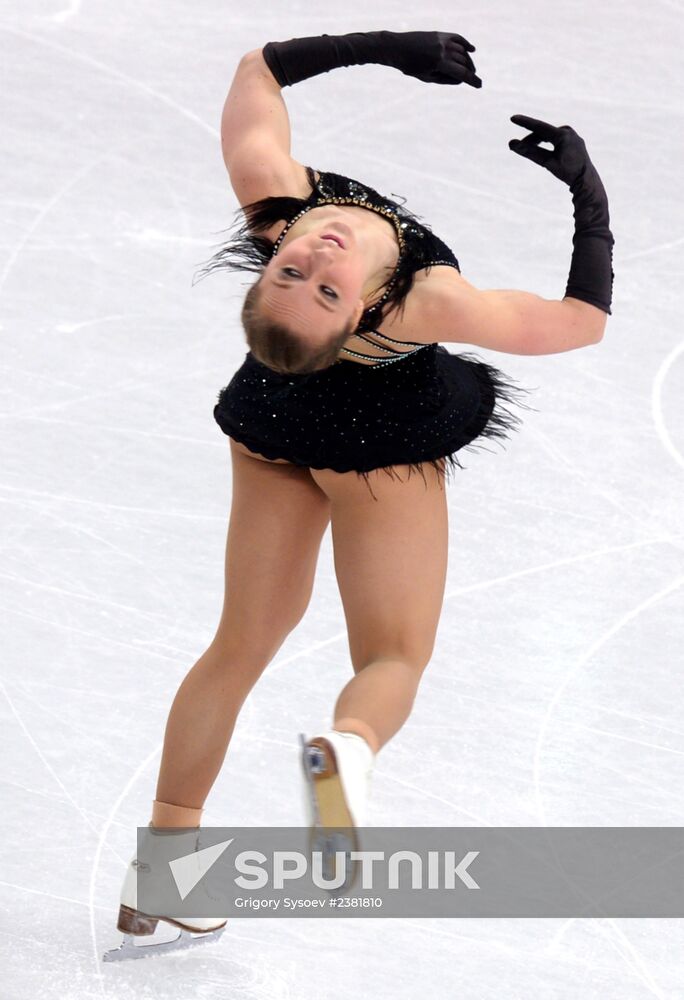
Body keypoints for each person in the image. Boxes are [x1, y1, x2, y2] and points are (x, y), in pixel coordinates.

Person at [104, 29, 614, 960]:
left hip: (273, 425)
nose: (315, 255)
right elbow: (579, 324)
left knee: (239, 644)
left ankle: (163, 877)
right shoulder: (427, 300)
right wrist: (588, 195)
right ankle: (345, 753)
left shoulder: (275, 199)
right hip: (376, 445)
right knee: (394, 652)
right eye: (321, 286)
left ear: (265, 259)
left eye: (294, 272)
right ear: (361, 318)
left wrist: (388, 47)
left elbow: (255, 72)